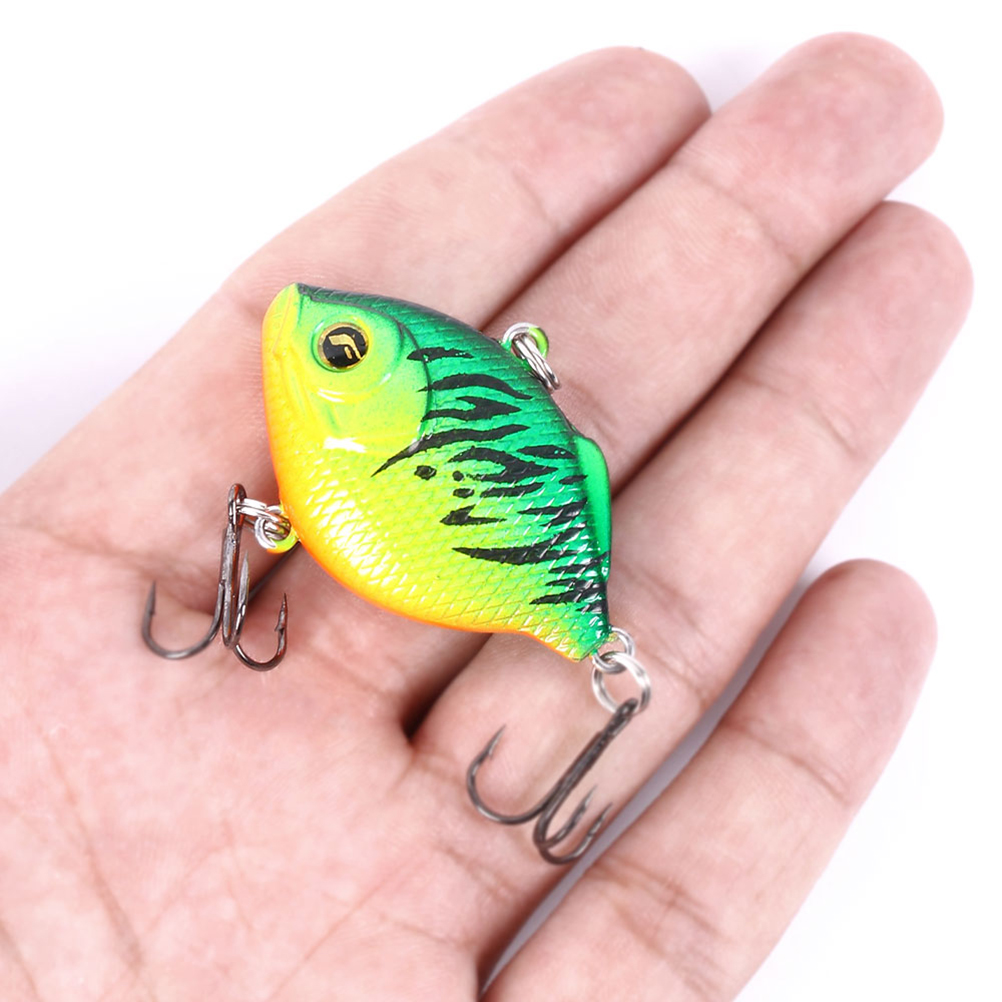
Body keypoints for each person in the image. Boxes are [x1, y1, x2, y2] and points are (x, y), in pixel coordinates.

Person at [0, 33, 971, 1000]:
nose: (297, 330)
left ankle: (580, 624)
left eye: (341, 351)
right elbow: (568, 463)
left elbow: (576, 462)